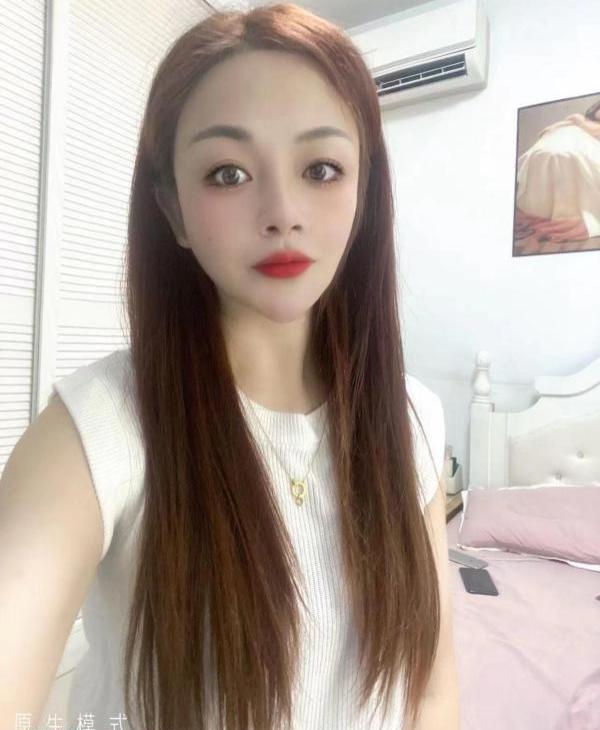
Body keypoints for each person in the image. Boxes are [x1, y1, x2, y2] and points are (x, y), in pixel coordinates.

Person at [0, 3, 459, 730]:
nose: (282, 212)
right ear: (173, 212)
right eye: (228, 173)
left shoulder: (414, 422)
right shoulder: (95, 431)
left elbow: (429, 692)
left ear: (363, 194)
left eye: (321, 168)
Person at [515, 99, 600, 247]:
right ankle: (542, 207)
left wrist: (580, 122)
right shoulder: (579, 120)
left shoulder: (583, 122)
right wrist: (568, 125)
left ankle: (564, 210)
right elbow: (551, 129)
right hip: (568, 136)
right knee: (550, 153)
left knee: (566, 156)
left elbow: (592, 130)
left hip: (585, 143)